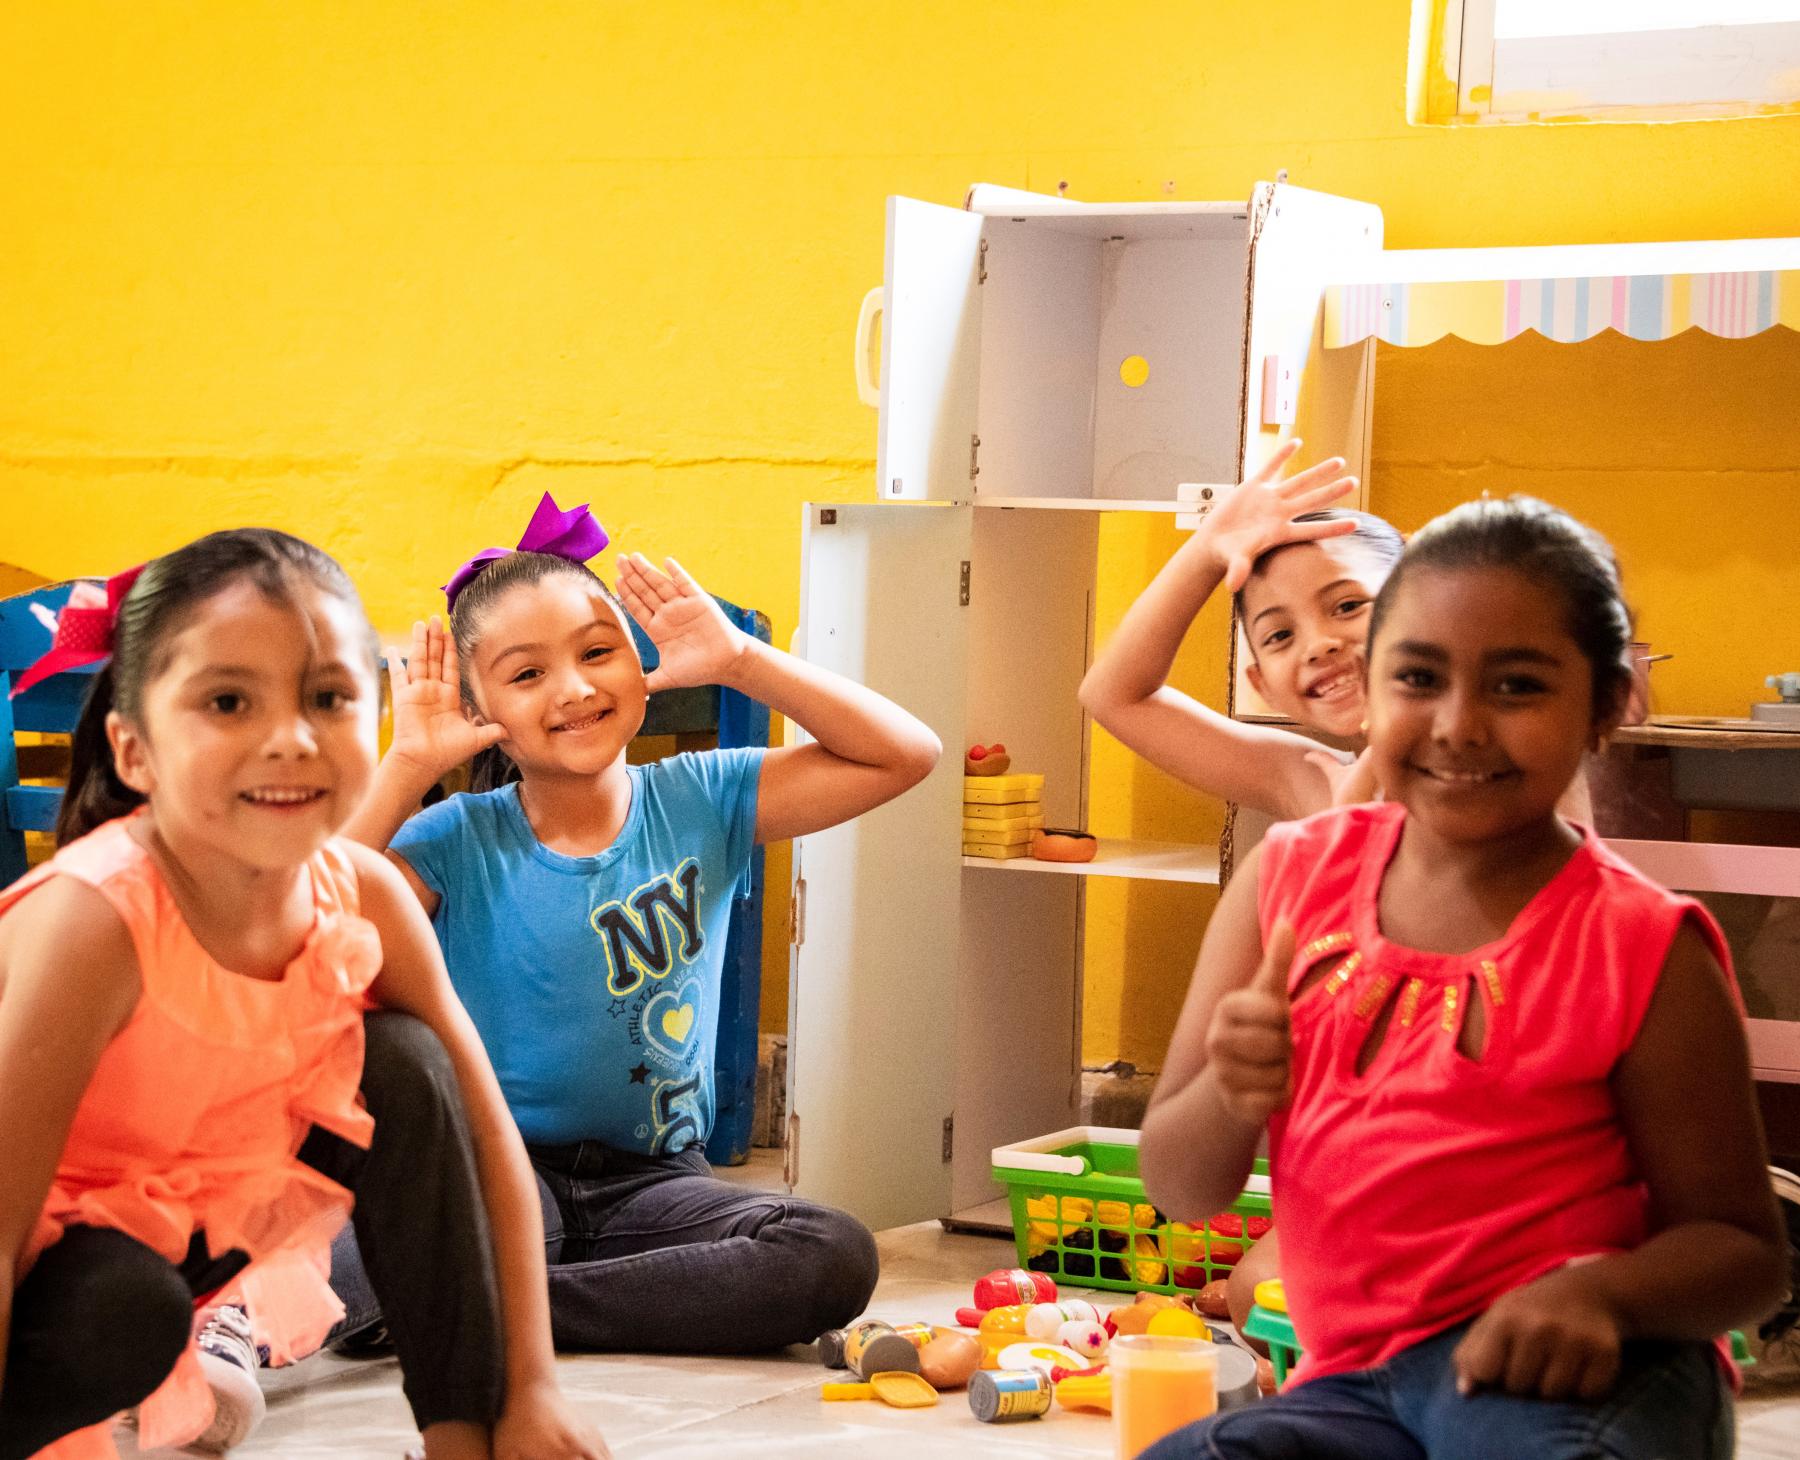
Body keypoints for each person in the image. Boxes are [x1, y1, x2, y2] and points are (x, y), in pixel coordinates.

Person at [1137, 497, 1787, 1459]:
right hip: (1355, 1385)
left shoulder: (1643, 944)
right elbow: (1181, 1185)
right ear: (1375, 684)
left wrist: (1595, 1294)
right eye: (1417, 677)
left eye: (1517, 686)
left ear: (1610, 704)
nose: (1458, 724)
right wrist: (1231, 1093)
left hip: (1584, 1379)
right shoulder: (1288, 882)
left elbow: (1747, 1256)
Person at [0, 531, 607, 1460]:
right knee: (128, 1310)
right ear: (134, 749)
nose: (288, 738)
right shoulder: (93, 922)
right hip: (53, 1263)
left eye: (328, 698)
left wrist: (530, 1392)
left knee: (404, 1062)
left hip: (173, 1227)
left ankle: (460, 1441)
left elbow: (487, 1150)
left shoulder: (364, 894)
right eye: (227, 702)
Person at [336, 493, 941, 1353]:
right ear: (481, 712)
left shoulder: (704, 796)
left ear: (638, 656)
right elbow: (307, 916)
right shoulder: (452, 839)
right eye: (526, 673)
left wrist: (740, 660)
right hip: (495, 1170)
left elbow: (904, 752)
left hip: (657, 1188)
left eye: (597, 651)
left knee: (830, 1252)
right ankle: (458, 1288)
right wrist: (406, 764)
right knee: (340, 1236)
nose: (575, 688)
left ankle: (500, 1309)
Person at [1080, 440, 1396, 1325]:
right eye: (1282, 634)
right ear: (1261, 681)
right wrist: (1208, 549)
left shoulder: (1521, 797)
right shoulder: (1303, 782)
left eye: (1348, 606)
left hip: (1496, 1182)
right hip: (1360, 1184)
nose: (1322, 642)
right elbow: (1115, 695)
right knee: (1266, 1287)